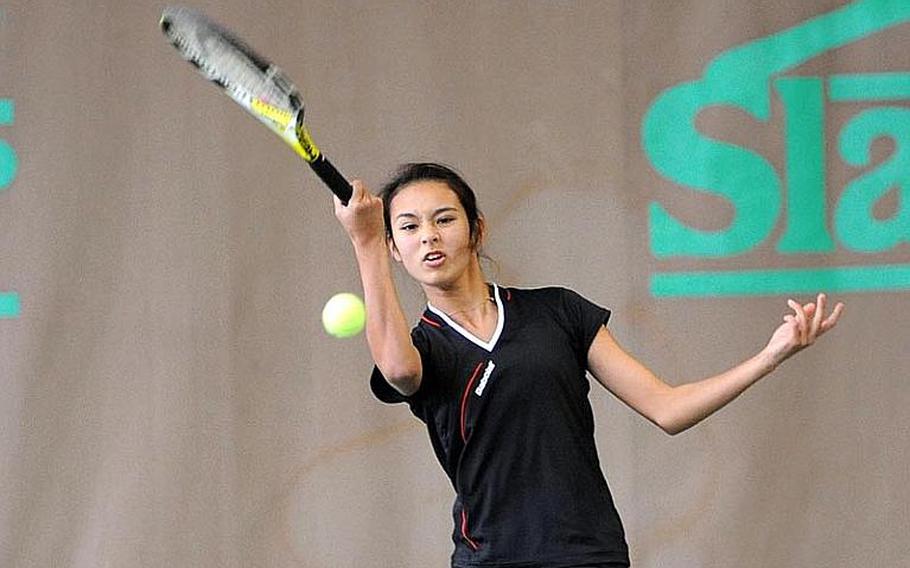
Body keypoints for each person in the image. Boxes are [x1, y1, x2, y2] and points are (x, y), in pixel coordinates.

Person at [333, 162, 844, 568]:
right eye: (408, 227)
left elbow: (667, 408)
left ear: (476, 229)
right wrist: (364, 243)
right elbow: (399, 371)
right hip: (490, 559)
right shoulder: (424, 347)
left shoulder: (558, 312)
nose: (428, 236)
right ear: (394, 249)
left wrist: (769, 356)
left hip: (589, 553)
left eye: (444, 219)